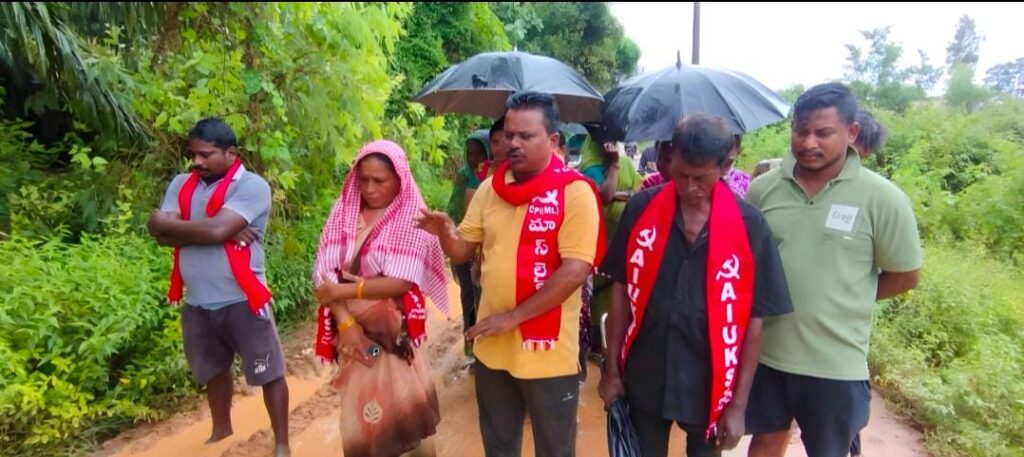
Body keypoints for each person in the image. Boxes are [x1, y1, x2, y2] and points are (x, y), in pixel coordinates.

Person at [416, 92, 603, 457]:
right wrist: (447, 233)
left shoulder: (575, 193)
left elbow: (575, 271)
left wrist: (512, 318)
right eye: (508, 134)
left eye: (525, 136)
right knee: (499, 446)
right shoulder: (491, 188)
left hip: (548, 353)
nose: (512, 143)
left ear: (552, 140)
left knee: (554, 448)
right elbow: (463, 250)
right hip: (493, 347)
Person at [598, 114, 793, 457]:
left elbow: (755, 320)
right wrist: (611, 370)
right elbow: (620, 293)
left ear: (726, 165)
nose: (688, 187)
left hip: (710, 385)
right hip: (646, 376)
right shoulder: (642, 210)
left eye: (700, 178)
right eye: (681, 174)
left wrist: (737, 406)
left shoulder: (750, 227)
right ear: (670, 158)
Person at [746, 83, 922, 457]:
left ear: (851, 133)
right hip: (768, 354)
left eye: (823, 133)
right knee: (764, 445)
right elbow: (749, 263)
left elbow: (905, 275)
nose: (809, 142)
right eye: (801, 130)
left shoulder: (883, 199)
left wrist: (848, 293)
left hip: (835, 364)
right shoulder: (763, 190)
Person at [146, 118, 290, 457]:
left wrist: (186, 225)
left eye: (205, 155)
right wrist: (217, 228)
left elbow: (188, 230)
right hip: (197, 301)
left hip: (243, 298)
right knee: (214, 370)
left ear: (231, 153)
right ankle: (220, 431)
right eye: (193, 155)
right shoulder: (183, 183)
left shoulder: (252, 187)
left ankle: (282, 442)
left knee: (269, 371)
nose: (196, 162)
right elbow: (157, 232)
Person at [313, 140, 451, 457]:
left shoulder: (413, 217)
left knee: (407, 410)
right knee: (364, 413)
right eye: (363, 179)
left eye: (379, 180)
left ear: (399, 179)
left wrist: (346, 291)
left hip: (394, 336)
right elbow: (323, 275)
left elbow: (402, 281)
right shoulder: (344, 212)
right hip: (355, 338)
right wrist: (346, 321)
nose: (370, 188)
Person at [578, 128, 643, 363]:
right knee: (594, 289)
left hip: (620, 234)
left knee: (616, 287)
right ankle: (594, 343)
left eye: (611, 140)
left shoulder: (626, 163)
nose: (608, 144)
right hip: (597, 235)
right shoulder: (590, 166)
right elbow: (605, 195)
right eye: (602, 140)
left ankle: (613, 342)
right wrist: (613, 166)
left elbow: (638, 191)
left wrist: (620, 191)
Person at [446, 130, 492, 357]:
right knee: (468, 296)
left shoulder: (495, 177)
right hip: (465, 245)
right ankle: (472, 346)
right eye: (470, 154)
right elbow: (455, 211)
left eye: (479, 154)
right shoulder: (465, 177)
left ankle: (488, 346)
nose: (475, 159)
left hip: (489, 250)